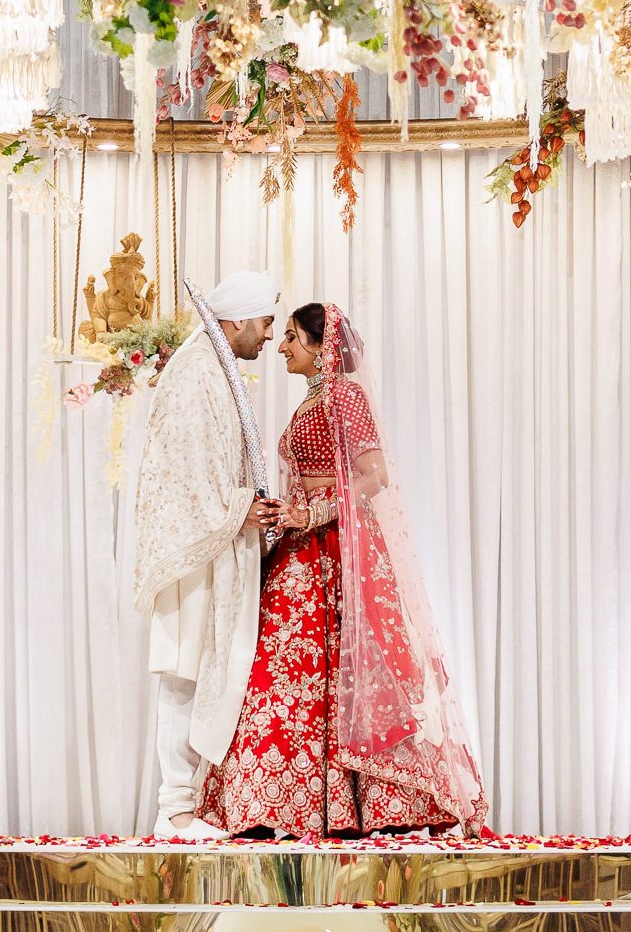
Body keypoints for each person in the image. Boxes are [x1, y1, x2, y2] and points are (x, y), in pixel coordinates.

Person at [199, 302, 487, 836]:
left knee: (342, 670)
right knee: (284, 671)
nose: (281, 346)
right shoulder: (311, 401)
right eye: (279, 335)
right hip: (299, 548)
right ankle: (278, 803)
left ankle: (369, 805)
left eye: (290, 336)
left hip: (338, 551)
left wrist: (312, 511)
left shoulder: (345, 395)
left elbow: (373, 476)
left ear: (318, 344)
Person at [129, 269, 281, 838]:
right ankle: (175, 811)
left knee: (199, 673)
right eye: (266, 323)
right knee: (184, 676)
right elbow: (184, 473)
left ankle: (185, 806)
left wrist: (243, 508)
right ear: (238, 319)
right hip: (195, 550)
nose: (269, 335)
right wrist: (237, 509)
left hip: (214, 545)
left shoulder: (213, 368)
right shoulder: (196, 373)